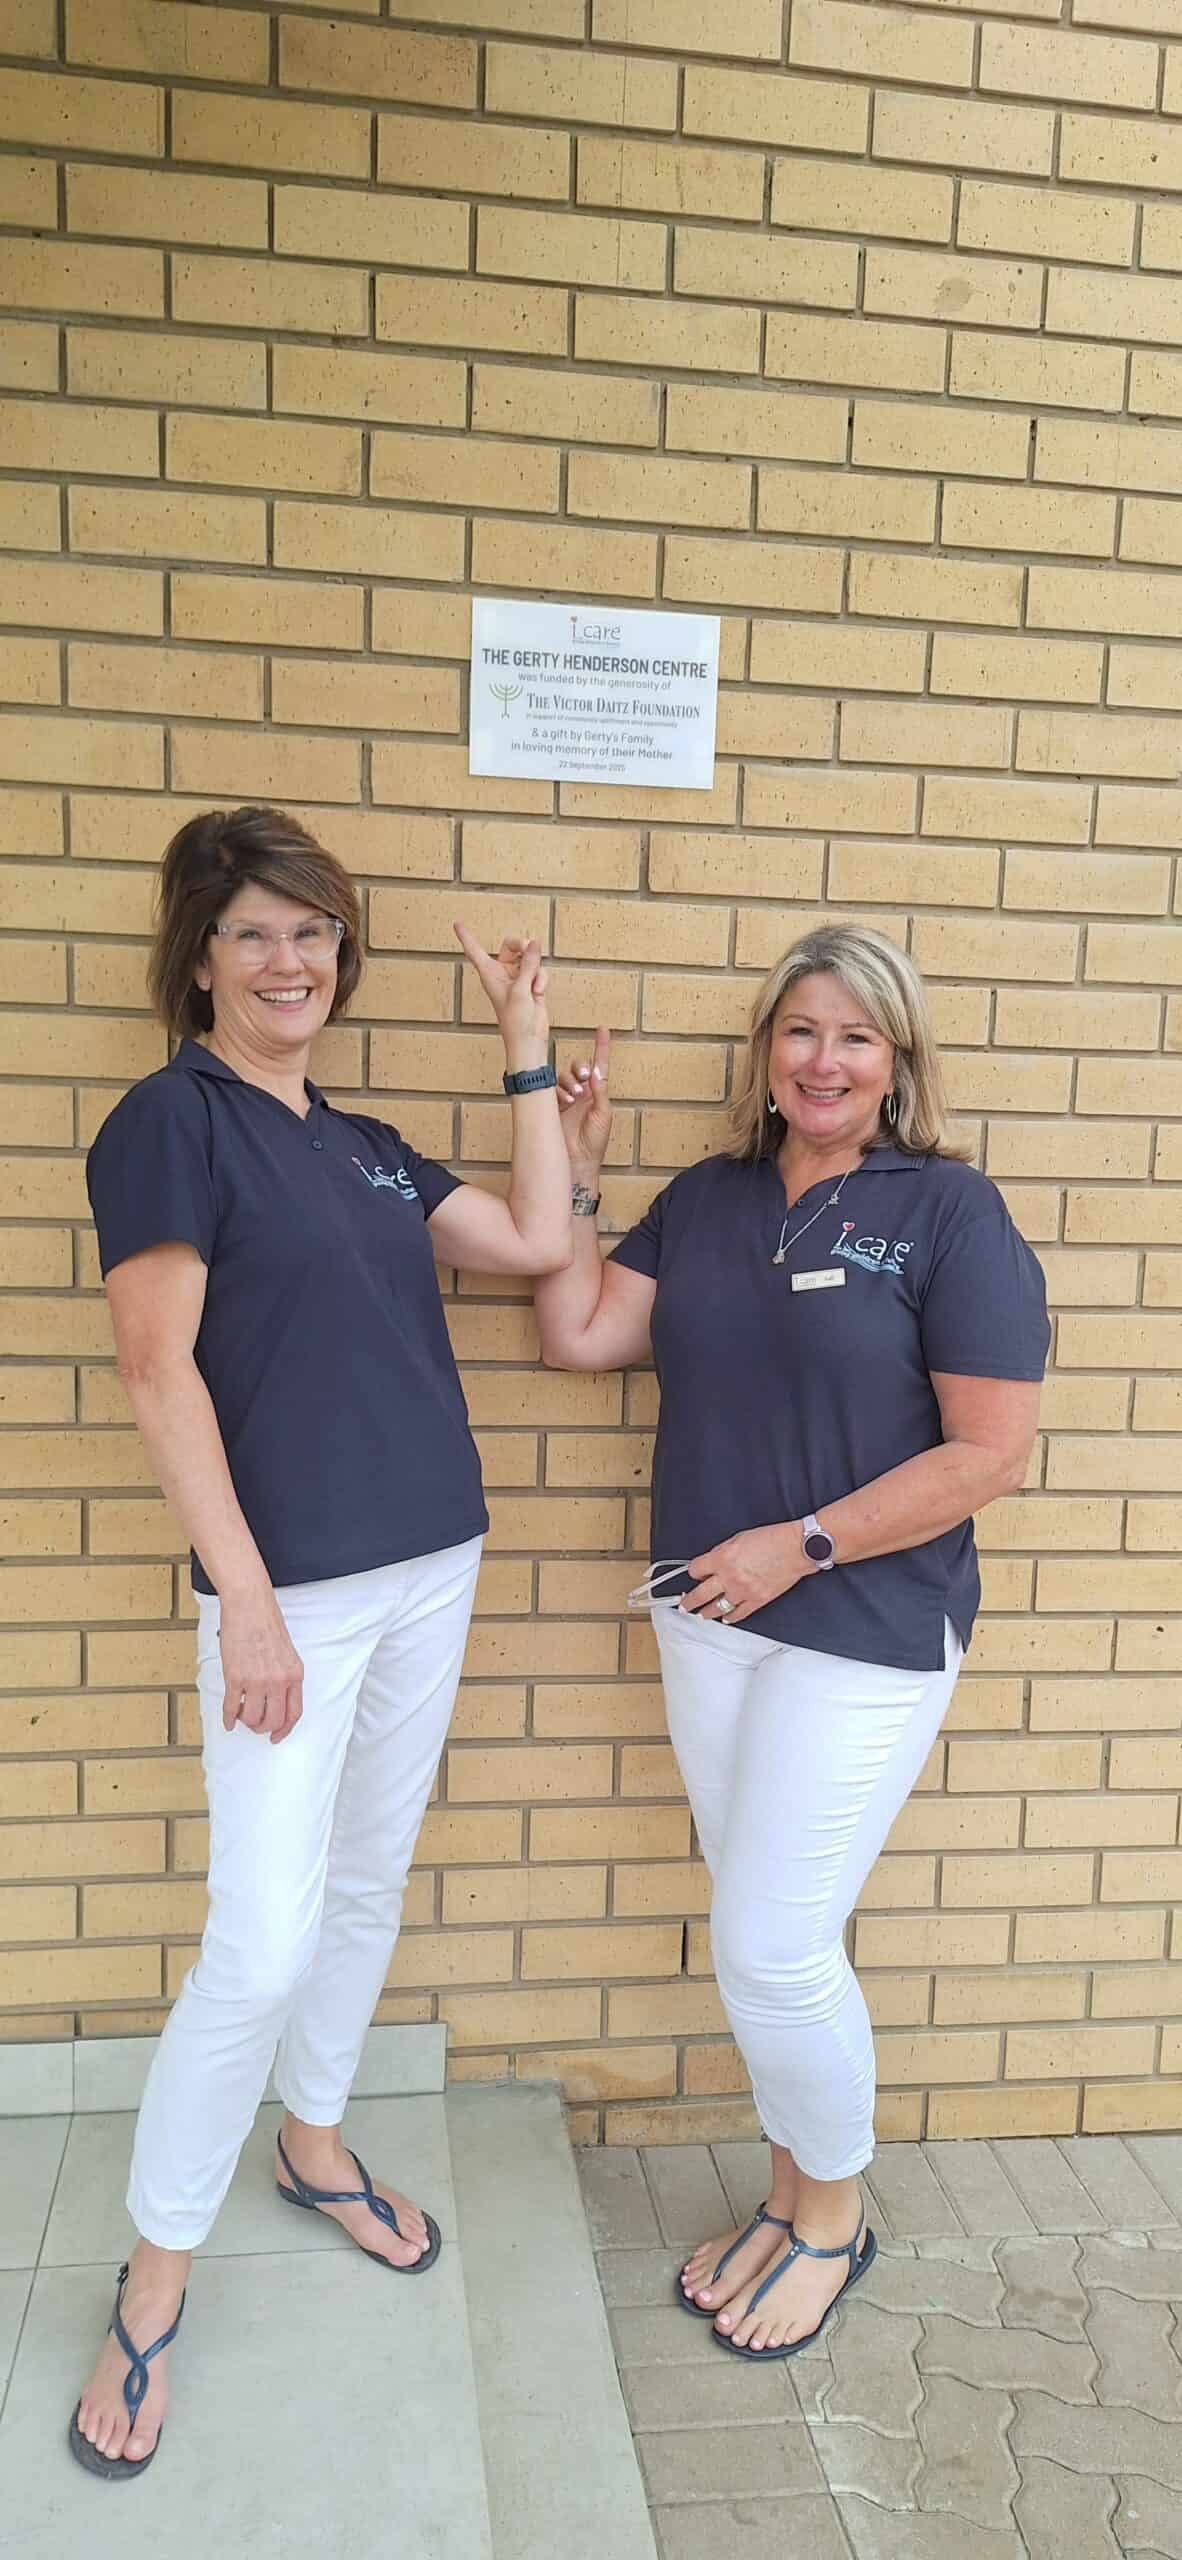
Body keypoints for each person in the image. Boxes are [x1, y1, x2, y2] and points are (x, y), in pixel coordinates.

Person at [72, 804, 572, 2477]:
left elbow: (534, 1242)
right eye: (254, 935)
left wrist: (528, 1063)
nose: (290, 962)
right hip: (289, 1596)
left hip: (435, 1559)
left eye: (313, 935)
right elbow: (159, 1376)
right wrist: (251, 1603)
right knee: (258, 1941)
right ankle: (153, 2277)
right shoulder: (169, 1122)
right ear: (198, 961)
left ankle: (316, 2141)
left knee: (367, 1881)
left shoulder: (360, 1140)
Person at [536, 922, 1048, 2365]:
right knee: (772, 1932)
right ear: (764, 1052)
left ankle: (830, 2214)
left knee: (765, 1942)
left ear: (896, 1063)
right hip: (712, 1621)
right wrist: (574, 1162)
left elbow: (989, 1453)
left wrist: (803, 1542)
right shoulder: (704, 1201)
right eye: (799, 1032)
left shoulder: (947, 1214)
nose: (822, 1061)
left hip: (862, 1626)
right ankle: (783, 2193)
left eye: (855, 1037)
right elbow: (576, 1333)